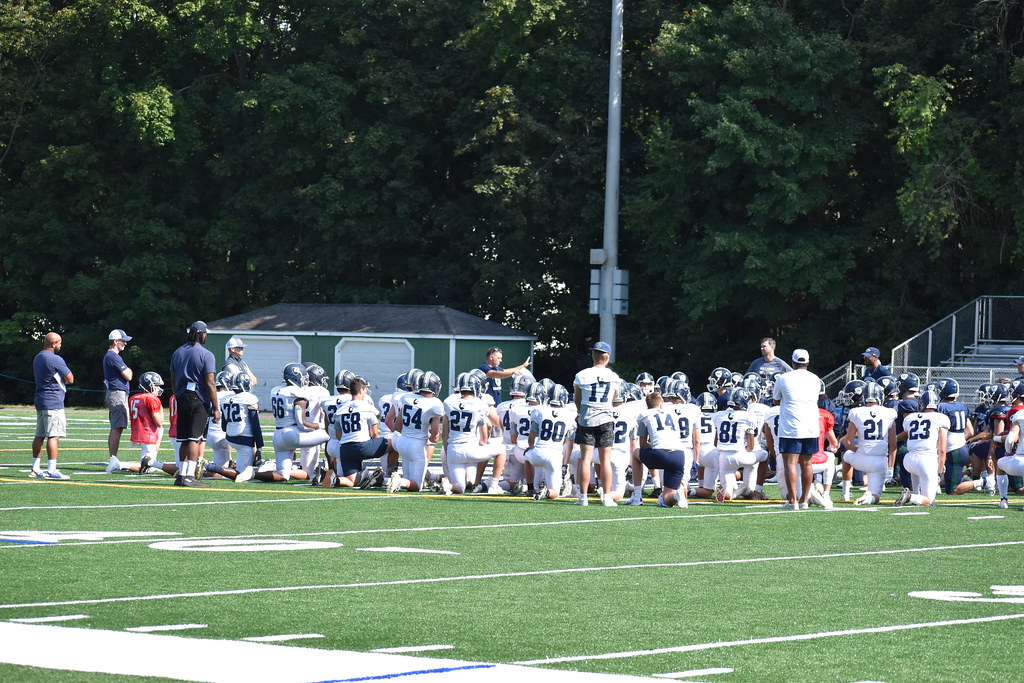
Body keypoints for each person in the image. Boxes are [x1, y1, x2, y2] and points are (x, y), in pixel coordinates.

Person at [168, 321, 219, 487]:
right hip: (198, 397)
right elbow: (210, 382)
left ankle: (181, 475)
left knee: (183, 438)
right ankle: (190, 475)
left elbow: (173, 377)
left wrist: (177, 394)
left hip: (181, 395)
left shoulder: (178, 352)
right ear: (202, 334)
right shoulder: (206, 354)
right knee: (194, 438)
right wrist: (216, 407)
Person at [572, 341, 621, 507]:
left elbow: (577, 399)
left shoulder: (582, 375)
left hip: (587, 418)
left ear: (593, 355)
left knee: (586, 459)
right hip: (606, 419)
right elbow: (614, 399)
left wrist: (581, 413)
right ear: (607, 357)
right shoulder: (614, 377)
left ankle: (583, 497)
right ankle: (607, 497)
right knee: (605, 460)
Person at [772, 348, 821, 510]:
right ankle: (804, 500)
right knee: (807, 464)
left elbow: (776, 400)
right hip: (810, 426)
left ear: (792, 362)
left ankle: (793, 501)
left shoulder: (783, 378)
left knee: (790, 464)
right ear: (808, 362)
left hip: (791, 427)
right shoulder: (815, 379)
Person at [631, 391, 689, 508]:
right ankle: (676, 495)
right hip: (679, 455)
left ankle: (637, 496)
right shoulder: (672, 413)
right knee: (667, 499)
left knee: (635, 453)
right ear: (662, 404)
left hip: (660, 453)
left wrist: (654, 448)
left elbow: (642, 444)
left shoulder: (644, 415)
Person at [894, 389, 949, 507]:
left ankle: (914, 494)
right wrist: (939, 472)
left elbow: (908, 433)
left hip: (909, 460)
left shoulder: (910, 417)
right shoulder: (940, 417)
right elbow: (942, 449)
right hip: (926, 461)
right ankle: (911, 497)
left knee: (917, 474)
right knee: (929, 501)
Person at [30, 332, 74, 479]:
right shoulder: (55, 358)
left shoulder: (38, 357)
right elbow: (70, 379)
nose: (60, 345)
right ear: (53, 343)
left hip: (40, 399)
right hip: (53, 400)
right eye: (59, 343)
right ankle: (52, 469)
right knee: (54, 436)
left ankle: (35, 468)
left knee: (39, 435)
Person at [103, 329, 133, 471]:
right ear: (115, 341)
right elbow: (128, 375)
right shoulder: (113, 356)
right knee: (117, 427)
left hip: (116, 393)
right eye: (123, 340)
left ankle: (113, 458)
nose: (125, 343)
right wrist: (129, 371)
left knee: (117, 426)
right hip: (117, 394)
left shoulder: (112, 356)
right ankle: (113, 459)